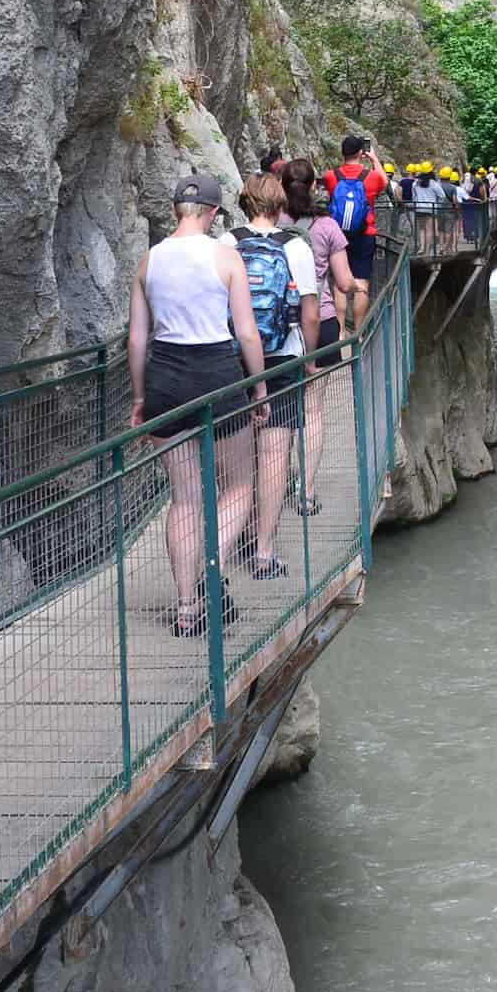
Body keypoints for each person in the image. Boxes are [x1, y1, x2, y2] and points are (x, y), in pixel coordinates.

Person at [128, 169, 266, 641]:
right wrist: (259, 388)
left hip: (165, 375)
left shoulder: (148, 262)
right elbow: (246, 331)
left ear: (174, 211)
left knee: (184, 497)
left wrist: (141, 398)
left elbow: (137, 336)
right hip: (216, 373)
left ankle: (187, 607)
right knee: (238, 486)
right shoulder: (226, 258)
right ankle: (214, 564)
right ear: (211, 213)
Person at [233, 173, 320, 571]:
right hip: (283, 356)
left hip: (233, 359)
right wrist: (310, 356)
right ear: (280, 203)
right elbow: (310, 310)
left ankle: (242, 528)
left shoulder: (226, 243)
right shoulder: (295, 246)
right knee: (273, 452)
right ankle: (264, 551)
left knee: (237, 451)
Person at [280, 158, 357, 512]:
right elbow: (343, 282)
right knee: (313, 411)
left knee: (278, 413)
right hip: (322, 323)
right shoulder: (327, 227)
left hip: (280, 328)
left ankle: (274, 481)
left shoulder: (273, 224)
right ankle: (306, 493)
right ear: (314, 187)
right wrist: (356, 285)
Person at [323, 133, 386, 322]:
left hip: (338, 234)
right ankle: (358, 332)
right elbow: (385, 182)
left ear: (342, 153)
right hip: (364, 234)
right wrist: (374, 159)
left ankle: (341, 330)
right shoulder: (372, 177)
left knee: (340, 283)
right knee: (361, 283)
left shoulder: (331, 176)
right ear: (361, 152)